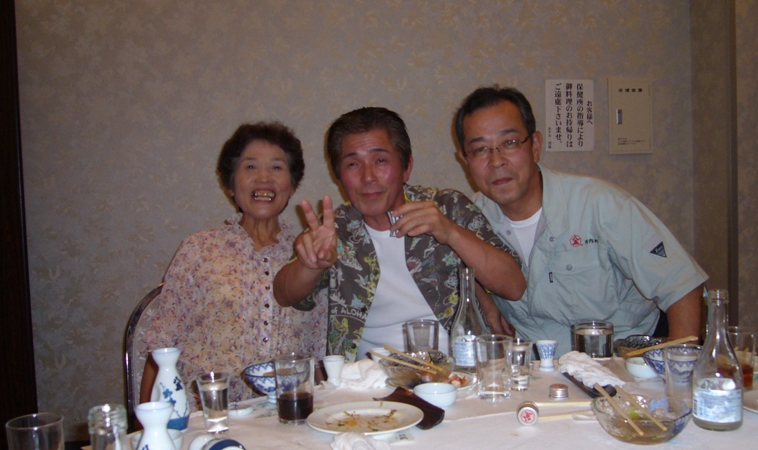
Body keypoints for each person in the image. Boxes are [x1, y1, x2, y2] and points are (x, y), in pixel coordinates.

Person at [453, 86, 708, 357]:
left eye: (510, 143)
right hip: (539, 369)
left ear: (535, 146)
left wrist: (678, 370)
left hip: (622, 360)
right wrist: (483, 298)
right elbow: (450, 272)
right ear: (465, 160)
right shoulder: (468, 221)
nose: (496, 161)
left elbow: (681, 287)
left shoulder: (599, 204)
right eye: (480, 149)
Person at [274, 107, 526, 362]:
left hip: (457, 372)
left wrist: (451, 233)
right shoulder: (335, 228)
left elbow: (514, 286)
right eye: (352, 164)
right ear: (339, 176)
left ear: (406, 168)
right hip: (370, 377)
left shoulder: (447, 207)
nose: (368, 177)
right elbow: (284, 294)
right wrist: (310, 265)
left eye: (380, 161)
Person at [140, 122, 326, 410]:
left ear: (292, 186)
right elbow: (163, 345)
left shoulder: (310, 253)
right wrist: (146, 423)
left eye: (277, 167)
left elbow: (320, 351)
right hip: (206, 415)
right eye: (250, 167)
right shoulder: (199, 248)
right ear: (230, 185)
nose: (264, 178)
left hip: (286, 414)